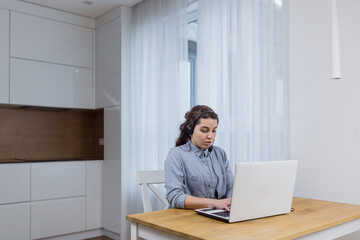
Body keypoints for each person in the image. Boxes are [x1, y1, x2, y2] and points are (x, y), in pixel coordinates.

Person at [165, 105, 233, 211]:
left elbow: (231, 186)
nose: (210, 136)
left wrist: (229, 202)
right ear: (190, 129)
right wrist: (214, 203)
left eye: (214, 130)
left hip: (217, 215)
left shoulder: (220, 154)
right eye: (204, 130)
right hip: (187, 219)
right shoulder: (176, 155)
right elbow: (175, 197)